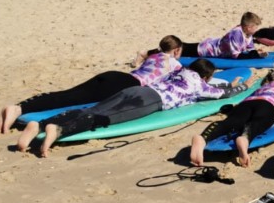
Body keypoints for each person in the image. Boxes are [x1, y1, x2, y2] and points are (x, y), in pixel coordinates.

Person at [17, 59, 250, 157]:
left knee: (96, 107)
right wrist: (242, 87)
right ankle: (58, 131)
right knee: (106, 118)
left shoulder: (179, 71)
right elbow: (222, 94)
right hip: (149, 101)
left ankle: (40, 124)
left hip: (135, 90)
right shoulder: (199, 84)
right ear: (206, 76)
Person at [0, 35, 185, 133]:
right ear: (176, 51)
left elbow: (142, 55)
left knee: (68, 94)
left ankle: (20, 107)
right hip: (124, 85)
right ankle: (22, 113)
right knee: (73, 100)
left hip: (114, 75)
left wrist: (138, 60)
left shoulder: (154, 55)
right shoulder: (175, 65)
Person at [189, 66, 274, 168]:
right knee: (259, 122)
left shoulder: (264, 86)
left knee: (230, 123)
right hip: (269, 105)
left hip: (247, 103)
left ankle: (203, 138)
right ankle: (245, 138)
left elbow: (244, 101)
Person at [180, 12, 267, 59]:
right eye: (256, 27)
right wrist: (254, 55)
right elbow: (236, 56)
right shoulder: (236, 34)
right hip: (208, 50)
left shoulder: (248, 34)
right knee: (183, 49)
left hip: (213, 45)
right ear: (248, 27)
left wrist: (257, 52)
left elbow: (250, 49)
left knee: (184, 48)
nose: (257, 29)